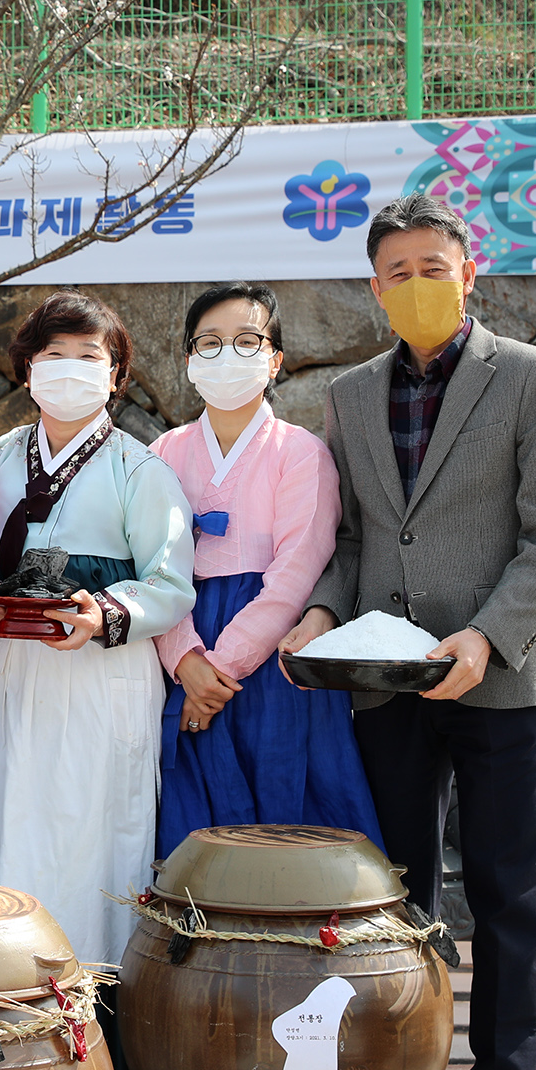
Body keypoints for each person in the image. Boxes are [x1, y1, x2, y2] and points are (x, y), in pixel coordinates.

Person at [280, 194, 536, 1070]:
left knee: (502, 891)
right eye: (395, 273)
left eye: (431, 268)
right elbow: (356, 537)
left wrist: (484, 638)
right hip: (386, 683)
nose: (415, 286)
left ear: (468, 273)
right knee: (393, 896)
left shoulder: (530, 377)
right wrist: (321, 614)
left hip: (499, 681)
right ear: (373, 288)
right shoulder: (352, 394)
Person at [0, 290, 195, 960]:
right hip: (6, 670)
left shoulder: (139, 468)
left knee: (93, 834)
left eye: (90, 356)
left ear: (115, 375)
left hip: (100, 676)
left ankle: (90, 1001)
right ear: (27, 368)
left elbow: (171, 583)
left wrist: (106, 611)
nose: (69, 368)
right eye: (53, 354)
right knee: (0, 819)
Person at [150, 283, 382, 857]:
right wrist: (183, 660)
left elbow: (296, 572)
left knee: (288, 803)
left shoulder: (301, 452)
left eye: (248, 340)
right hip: (183, 633)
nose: (227, 354)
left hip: (274, 656)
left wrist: (215, 672)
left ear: (275, 358)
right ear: (188, 361)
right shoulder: (163, 453)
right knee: (192, 817)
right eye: (210, 343)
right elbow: (151, 564)